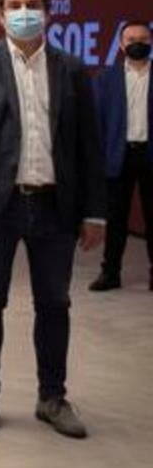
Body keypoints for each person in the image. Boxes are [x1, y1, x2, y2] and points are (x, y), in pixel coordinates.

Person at [0, 0, 105, 439]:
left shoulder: (72, 69)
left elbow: (89, 148)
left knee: (55, 303)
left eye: (32, 3)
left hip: (57, 207)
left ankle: (52, 397)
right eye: (13, 4)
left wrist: (94, 212)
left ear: (48, 11)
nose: (23, 11)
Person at [89, 20, 152, 291]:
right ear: (121, 44)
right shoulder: (106, 79)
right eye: (131, 38)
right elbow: (96, 122)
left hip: (150, 155)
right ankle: (110, 273)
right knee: (115, 219)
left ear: (150, 42)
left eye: (143, 38)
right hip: (118, 156)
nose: (137, 43)